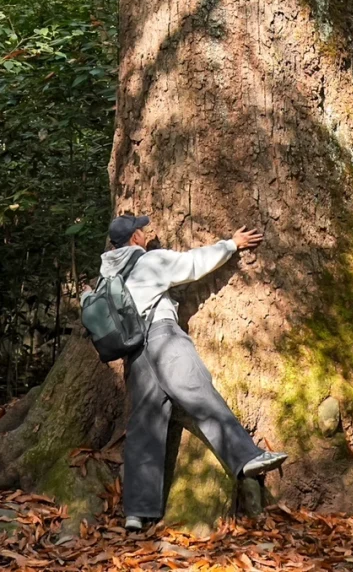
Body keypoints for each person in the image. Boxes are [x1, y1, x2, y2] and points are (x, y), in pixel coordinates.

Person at [99, 212, 288, 532]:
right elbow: (191, 264)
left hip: (135, 354)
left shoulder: (108, 276)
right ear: (134, 240)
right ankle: (246, 458)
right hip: (162, 336)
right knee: (198, 392)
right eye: (141, 231)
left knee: (144, 424)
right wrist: (231, 244)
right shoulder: (147, 261)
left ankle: (136, 510)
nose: (146, 234)